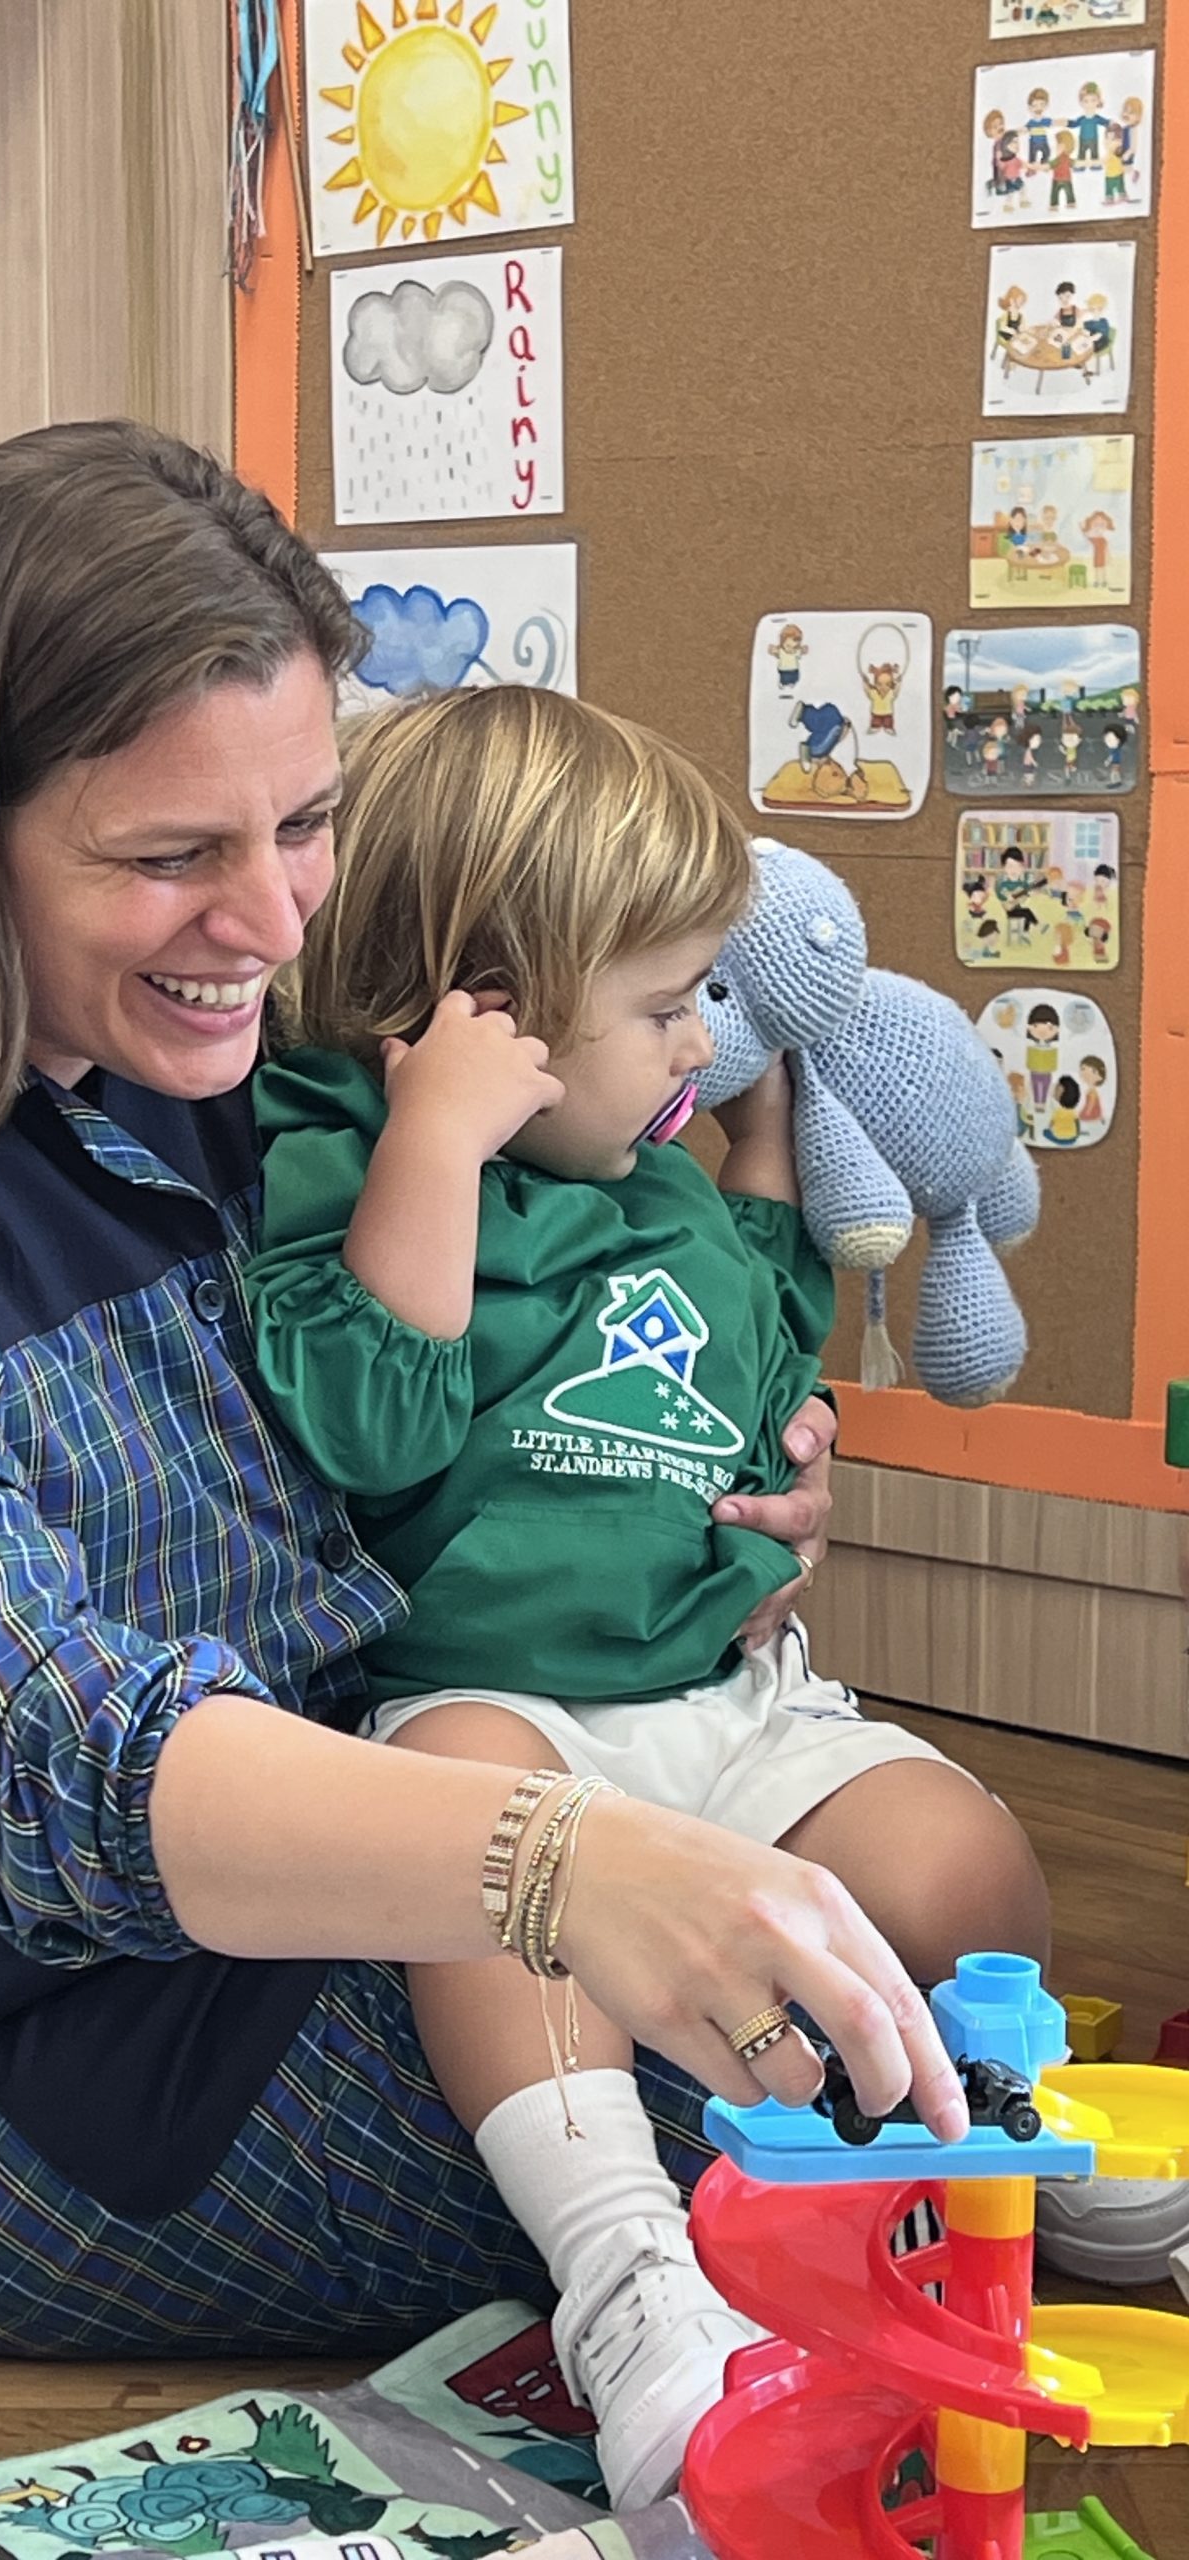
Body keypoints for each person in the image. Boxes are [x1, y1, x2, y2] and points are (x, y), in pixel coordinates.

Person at [0, 420, 992, 2461]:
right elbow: (19, 1749)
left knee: (893, 1949)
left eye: (307, 822)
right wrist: (554, 1859)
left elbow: (525, 1294)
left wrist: (726, 1445)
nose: (267, 918)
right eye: (170, 854)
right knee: (801, 2091)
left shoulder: (211, 1051)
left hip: (334, 1851)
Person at [245, 687, 1052, 2496]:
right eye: (670, 1002)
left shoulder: (657, 1181)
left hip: (723, 1698)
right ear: (489, 1018)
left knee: (964, 1867)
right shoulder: (343, 1162)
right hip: (498, 1715)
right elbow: (369, 1422)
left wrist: (762, 1144)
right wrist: (435, 1146)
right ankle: (626, 2279)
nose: (703, 1035)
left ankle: (977, 2168)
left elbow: (764, 1324)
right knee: (477, 1838)